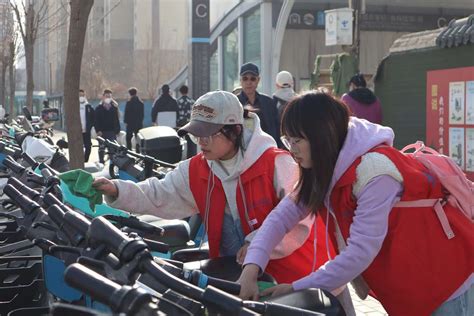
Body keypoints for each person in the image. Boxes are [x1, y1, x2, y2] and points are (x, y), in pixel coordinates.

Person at [238, 91, 474, 316]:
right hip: (413, 280)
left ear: (322, 136)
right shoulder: (325, 169)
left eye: (297, 140)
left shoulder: (374, 172)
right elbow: (281, 217)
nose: (292, 150)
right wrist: (251, 268)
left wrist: (296, 287)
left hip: (447, 280)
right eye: (287, 140)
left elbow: (360, 251)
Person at [93, 90, 331, 284]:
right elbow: (159, 192)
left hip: (293, 279)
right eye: (197, 135)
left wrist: (258, 245)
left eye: (208, 134)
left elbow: (302, 219)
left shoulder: (276, 163)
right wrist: (117, 189)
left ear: (235, 130)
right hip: (233, 279)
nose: (202, 142)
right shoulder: (196, 169)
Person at [237, 62, 281, 147]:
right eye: (245, 79)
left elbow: (277, 130)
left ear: (258, 80)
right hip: (243, 151)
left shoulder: (269, 102)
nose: (249, 82)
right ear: (240, 81)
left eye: (252, 79)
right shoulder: (235, 103)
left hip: (267, 149)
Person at [95, 89, 121, 163]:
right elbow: (96, 121)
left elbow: (116, 119)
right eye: (107, 96)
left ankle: (112, 163)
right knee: (101, 148)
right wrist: (98, 130)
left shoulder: (114, 108)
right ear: (103, 97)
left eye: (109, 97)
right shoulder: (98, 108)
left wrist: (117, 130)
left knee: (112, 149)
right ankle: (101, 162)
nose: (108, 98)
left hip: (112, 131)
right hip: (102, 132)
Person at [176, 85, 196, 157]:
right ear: (187, 91)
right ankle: (191, 157)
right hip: (190, 123)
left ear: (180, 92)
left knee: (179, 140)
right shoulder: (192, 101)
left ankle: (179, 156)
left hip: (180, 124)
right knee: (191, 141)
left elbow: (176, 113)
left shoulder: (178, 102)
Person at [79, 89, 95, 162]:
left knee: (88, 146)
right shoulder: (74, 106)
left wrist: (90, 126)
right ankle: (79, 160)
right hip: (78, 131)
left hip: (86, 131)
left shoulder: (88, 106)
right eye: (80, 95)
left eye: (83, 95)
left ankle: (85, 160)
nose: (81, 97)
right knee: (79, 147)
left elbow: (93, 117)